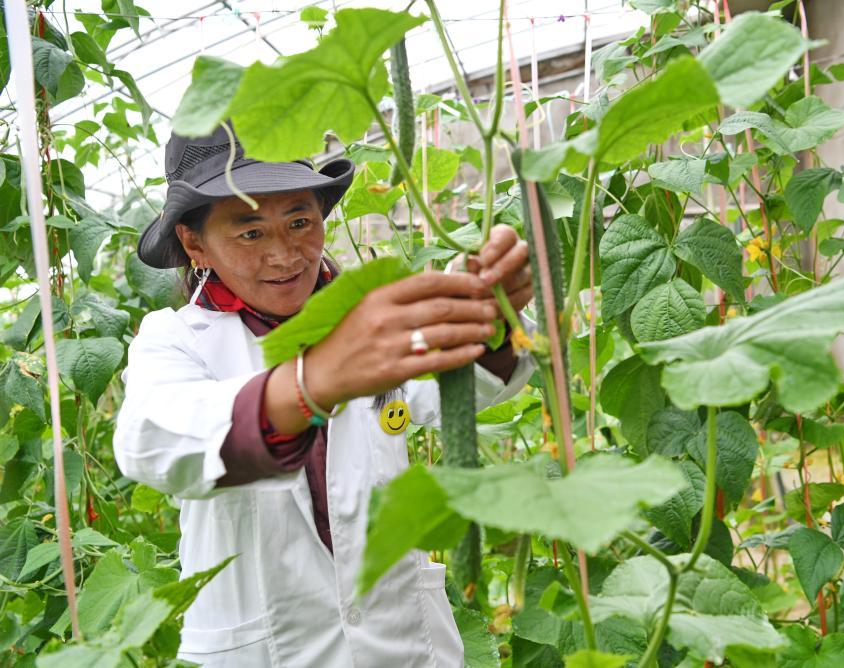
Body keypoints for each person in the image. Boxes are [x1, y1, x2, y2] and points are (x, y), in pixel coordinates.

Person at [112, 121, 537, 667]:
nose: (285, 254)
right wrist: (310, 385)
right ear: (195, 243)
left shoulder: (366, 314)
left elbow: (456, 387)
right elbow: (150, 439)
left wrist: (486, 318)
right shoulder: (174, 339)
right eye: (250, 233)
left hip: (403, 643)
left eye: (299, 221)